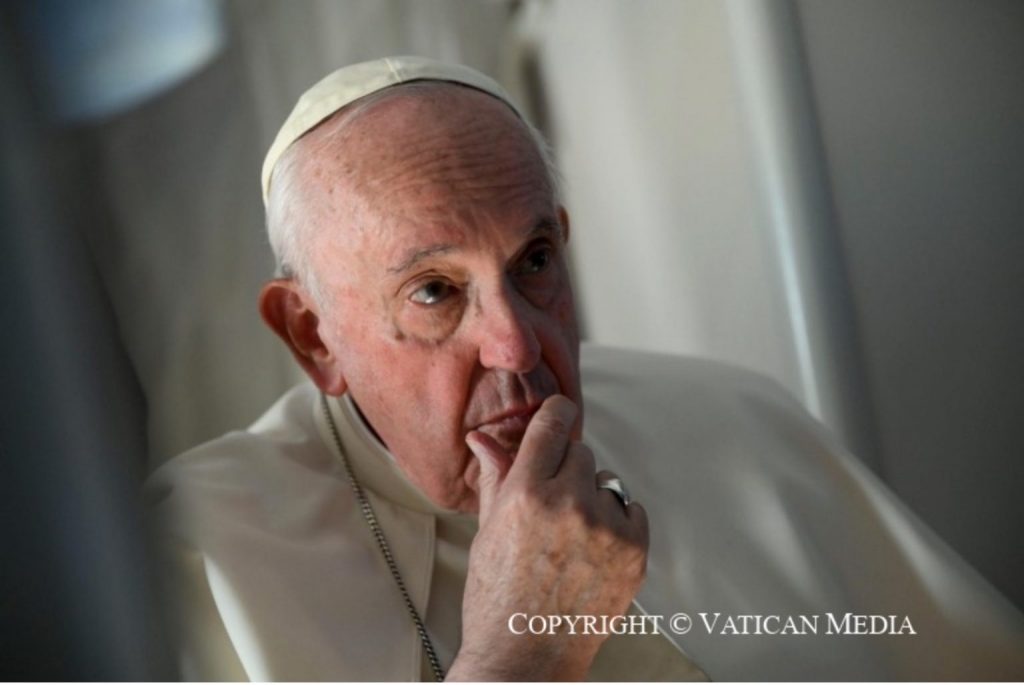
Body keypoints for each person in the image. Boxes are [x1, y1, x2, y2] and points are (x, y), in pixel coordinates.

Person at [147, 56, 1024, 681]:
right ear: (313, 336)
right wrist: (520, 654)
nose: (517, 347)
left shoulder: (733, 416)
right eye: (435, 291)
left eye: (533, 263)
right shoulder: (191, 563)